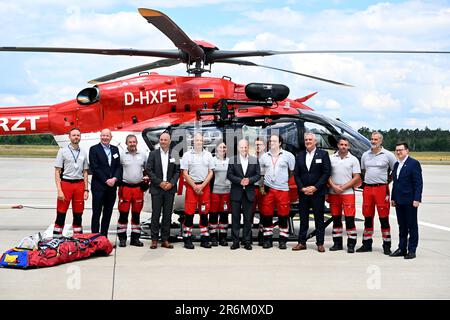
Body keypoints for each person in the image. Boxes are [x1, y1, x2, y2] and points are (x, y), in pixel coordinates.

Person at [357, 131, 396, 255]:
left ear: (381, 141)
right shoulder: (365, 155)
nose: (373, 141)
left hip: (381, 189)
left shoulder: (388, 155)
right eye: (372, 139)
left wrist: (385, 182)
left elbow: (394, 172)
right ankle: (366, 244)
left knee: (383, 218)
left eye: (376, 139)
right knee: (367, 217)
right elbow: (363, 170)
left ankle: (386, 245)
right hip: (368, 189)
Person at [293, 132, 331, 253]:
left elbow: (326, 173)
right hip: (303, 193)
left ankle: (320, 243)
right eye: (306, 140)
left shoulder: (323, 154)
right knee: (303, 219)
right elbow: (296, 174)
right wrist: (302, 188)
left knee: (319, 219)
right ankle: (301, 242)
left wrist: (315, 187)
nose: (308, 141)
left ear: (315, 141)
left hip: (317, 192)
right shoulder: (299, 155)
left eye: (310, 139)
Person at [259, 134, 295, 249]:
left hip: (283, 189)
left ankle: (282, 240)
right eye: (270, 141)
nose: (272, 143)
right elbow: (261, 173)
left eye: (274, 141)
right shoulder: (264, 157)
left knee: (283, 215)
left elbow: (292, 172)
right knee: (267, 214)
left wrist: (283, 181)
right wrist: (261, 186)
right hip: (269, 189)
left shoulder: (288, 156)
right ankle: (267, 239)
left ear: (280, 143)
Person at [180, 132, 215, 249]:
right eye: (197, 140)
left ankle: (205, 239)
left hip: (204, 187)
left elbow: (211, 172)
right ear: (193, 142)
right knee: (189, 213)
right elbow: (184, 173)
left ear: (203, 141)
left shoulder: (208, 155)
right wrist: (195, 186)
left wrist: (202, 186)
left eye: (200, 140)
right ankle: (187, 238)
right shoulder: (187, 155)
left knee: (204, 213)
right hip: (191, 187)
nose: (199, 142)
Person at [146, 132, 180, 249]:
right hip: (157, 189)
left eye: (165, 140)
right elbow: (149, 170)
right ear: (159, 141)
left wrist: (171, 183)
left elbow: (177, 171)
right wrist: (159, 182)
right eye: (161, 140)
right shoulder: (153, 154)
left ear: (169, 141)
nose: (163, 142)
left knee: (167, 215)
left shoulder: (174, 154)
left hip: (169, 189)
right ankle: (154, 240)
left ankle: (165, 239)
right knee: (156, 215)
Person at [327, 137, 361, 253]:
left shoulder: (353, 159)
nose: (343, 146)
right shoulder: (331, 158)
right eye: (341, 144)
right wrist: (334, 186)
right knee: (336, 219)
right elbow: (327, 175)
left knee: (350, 219)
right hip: (334, 192)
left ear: (349, 146)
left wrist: (344, 187)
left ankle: (351, 244)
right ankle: (337, 243)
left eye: (345, 145)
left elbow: (356, 177)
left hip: (347, 193)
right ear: (338, 145)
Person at [53, 128, 89, 237]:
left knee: (78, 213)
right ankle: (57, 237)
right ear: (69, 137)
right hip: (66, 184)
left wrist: (86, 189)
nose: (76, 137)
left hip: (79, 184)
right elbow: (57, 171)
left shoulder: (83, 152)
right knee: (61, 212)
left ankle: (78, 237)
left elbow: (85, 172)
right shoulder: (62, 151)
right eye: (74, 135)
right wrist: (59, 190)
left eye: (78, 135)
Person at [390, 142, 423, 259]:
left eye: (401, 150)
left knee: (412, 226)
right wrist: (393, 198)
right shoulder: (396, 164)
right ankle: (402, 248)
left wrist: (417, 199)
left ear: (407, 151)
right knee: (402, 226)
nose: (399, 152)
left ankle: (412, 250)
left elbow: (418, 183)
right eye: (397, 150)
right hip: (399, 200)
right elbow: (395, 183)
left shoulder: (413, 164)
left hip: (410, 200)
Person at [227, 139, 260, 250]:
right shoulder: (232, 160)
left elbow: (258, 175)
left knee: (248, 219)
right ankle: (235, 241)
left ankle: (247, 241)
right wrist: (240, 181)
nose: (244, 149)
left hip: (249, 193)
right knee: (235, 218)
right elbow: (229, 175)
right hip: (236, 193)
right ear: (238, 148)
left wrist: (249, 180)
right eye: (242, 147)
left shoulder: (254, 160)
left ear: (248, 148)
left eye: (245, 147)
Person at [116, 134, 148, 248]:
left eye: (134, 142)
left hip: (138, 189)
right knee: (123, 214)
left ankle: (135, 238)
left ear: (137, 143)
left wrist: (146, 180)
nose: (132, 144)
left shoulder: (143, 155)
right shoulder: (122, 155)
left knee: (136, 215)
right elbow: (117, 169)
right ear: (126, 143)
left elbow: (147, 169)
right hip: (125, 188)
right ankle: (122, 238)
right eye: (130, 142)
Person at [89, 129, 122, 237]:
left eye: (107, 136)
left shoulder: (115, 149)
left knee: (107, 213)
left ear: (111, 137)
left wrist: (115, 178)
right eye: (103, 135)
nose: (105, 137)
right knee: (96, 213)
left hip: (112, 187)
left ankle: (104, 236)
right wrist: (106, 180)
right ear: (100, 136)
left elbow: (118, 166)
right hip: (99, 186)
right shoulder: (94, 149)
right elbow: (95, 167)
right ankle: (94, 237)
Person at [209, 141, 231, 247]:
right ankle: (213, 236)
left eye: (224, 147)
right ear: (216, 149)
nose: (222, 149)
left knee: (224, 215)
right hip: (215, 192)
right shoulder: (212, 161)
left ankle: (223, 237)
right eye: (220, 147)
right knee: (213, 214)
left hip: (226, 192)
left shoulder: (229, 161)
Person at [253, 137, 266, 246]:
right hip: (252, 188)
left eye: (260, 144)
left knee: (263, 212)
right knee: (249, 212)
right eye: (256, 144)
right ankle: (248, 234)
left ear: (264, 146)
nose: (258, 146)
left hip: (263, 187)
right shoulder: (250, 157)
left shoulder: (267, 157)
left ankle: (262, 234)